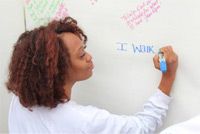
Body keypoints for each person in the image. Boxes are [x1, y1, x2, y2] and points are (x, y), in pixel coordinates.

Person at [6, 16, 178, 134]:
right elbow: (142, 127)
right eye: (81, 55)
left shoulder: (20, 100)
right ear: (57, 70)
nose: (89, 57)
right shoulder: (82, 121)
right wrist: (168, 77)